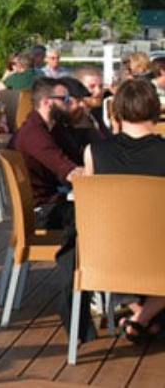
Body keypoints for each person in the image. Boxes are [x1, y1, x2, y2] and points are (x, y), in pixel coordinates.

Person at [55, 80, 165, 344]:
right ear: (156, 109)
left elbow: (91, 211)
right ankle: (144, 317)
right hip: (158, 253)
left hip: (106, 256)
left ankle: (139, 316)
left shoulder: (95, 152)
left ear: (116, 111)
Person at [8, 78, 83, 228]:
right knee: (100, 213)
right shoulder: (34, 135)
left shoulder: (53, 128)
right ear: (47, 102)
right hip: (41, 212)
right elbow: (71, 173)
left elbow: (78, 158)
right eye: (65, 99)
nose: (71, 103)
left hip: (53, 199)